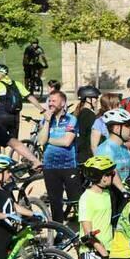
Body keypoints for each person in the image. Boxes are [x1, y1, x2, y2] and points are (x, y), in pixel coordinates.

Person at [38, 90, 82, 223]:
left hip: (69, 165)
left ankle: (82, 230)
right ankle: (59, 231)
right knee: (55, 201)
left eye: (54, 101)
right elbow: (40, 141)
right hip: (50, 166)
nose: (50, 104)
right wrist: (46, 121)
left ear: (62, 103)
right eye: (49, 101)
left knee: (75, 200)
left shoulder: (71, 119)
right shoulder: (45, 120)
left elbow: (66, 141)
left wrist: (48, 140)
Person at [0, 63, 45, 137]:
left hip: (2, 117)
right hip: (15, 117)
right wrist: (42, 109)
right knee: (14, 141)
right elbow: (30, 97)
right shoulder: (17, 84)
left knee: (1, 140)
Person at [78, 156, 117, 258]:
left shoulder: (107, 193)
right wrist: (104, 254)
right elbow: (88, 233)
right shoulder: (86, 199)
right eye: (111, 174)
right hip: (93, 251)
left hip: (109, 247)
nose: (114, 175)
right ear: (104, 178)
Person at [95, 108, 130, 186]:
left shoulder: (124, 148)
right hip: (111, 195)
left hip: (125, 193)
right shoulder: (105, 149)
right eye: (128, 125)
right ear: (116, 129)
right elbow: (108, 177)